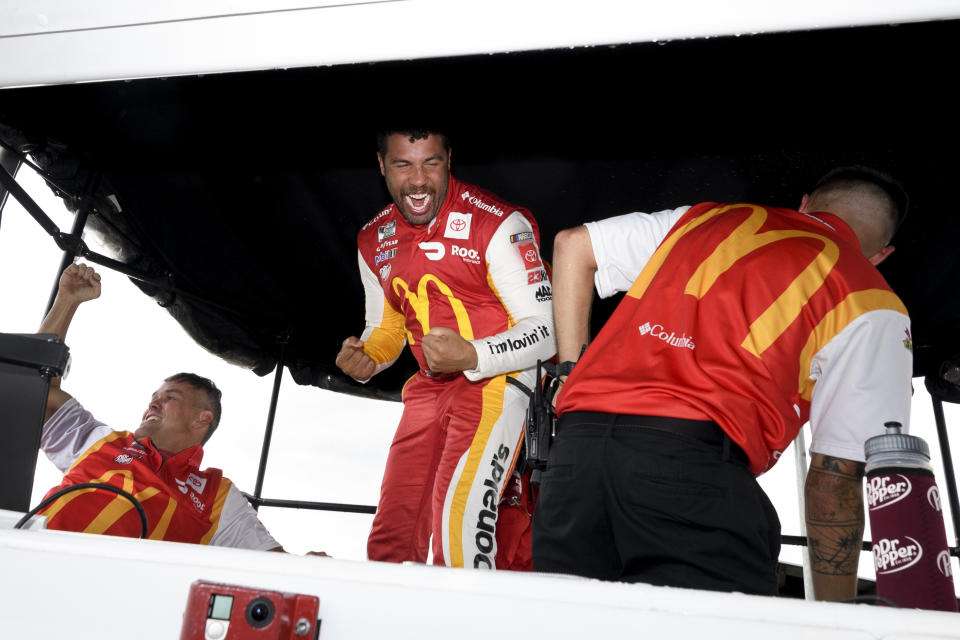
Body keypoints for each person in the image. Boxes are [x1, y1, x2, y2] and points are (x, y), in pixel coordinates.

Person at [533, 166, 912, 599]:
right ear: (882, 254)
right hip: (689, 471)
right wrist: (834, 613)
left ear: (804, 203)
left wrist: (568, 372)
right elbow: (835, 475)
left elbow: (572, 245)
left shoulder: (706, 219)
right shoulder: (870, 297)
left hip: (575, 459)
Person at [336, 129, 555, 569]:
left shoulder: (498, 223)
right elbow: (385, 326)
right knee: (392, 539)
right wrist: (368, 358)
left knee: (460, 527)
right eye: (403, 165)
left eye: (430, 163)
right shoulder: (372, 238)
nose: (418, 180)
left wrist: (473, 355)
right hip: (428, 390)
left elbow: (547, 332)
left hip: (500, 381)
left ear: (449, 160)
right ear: (381, 166)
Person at [36, 262, 283, 551]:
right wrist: (66, 302)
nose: (153, 401)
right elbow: (38, 391)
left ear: (201, 420)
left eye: (170, 397)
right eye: (155, 395)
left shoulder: (218, 497)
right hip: (28, 561)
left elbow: (272, 560)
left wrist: (308, 562)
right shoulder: (103, 442)